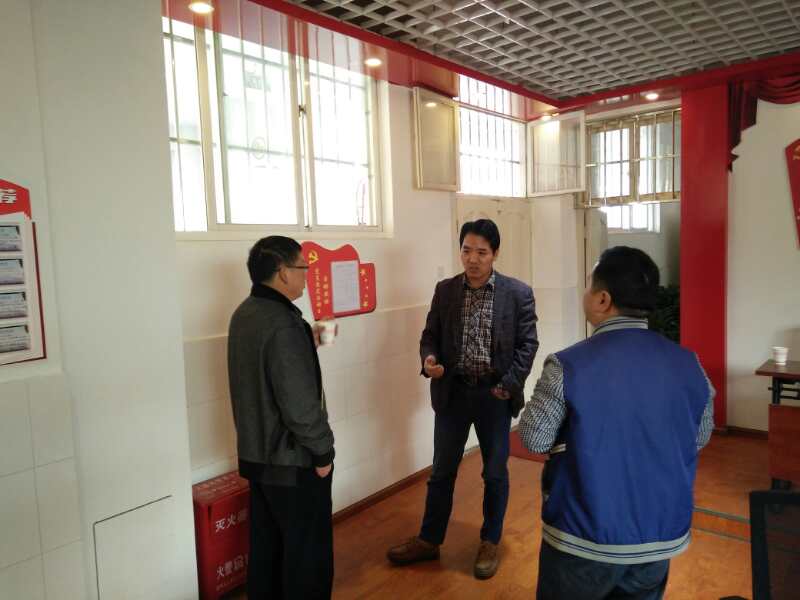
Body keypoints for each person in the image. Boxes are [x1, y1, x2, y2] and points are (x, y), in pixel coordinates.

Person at [519, 246, 715, 600]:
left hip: (583, 535)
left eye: (589, 284)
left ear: (603, 299)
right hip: (658, 536)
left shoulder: (567, 365)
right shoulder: (690, 364)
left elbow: (534, 438)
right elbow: (699, 436)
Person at [387, 219, 539, 579]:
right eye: (466, 250)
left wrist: (508, 384)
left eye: (481, 252)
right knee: (441, 471)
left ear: (495, 254)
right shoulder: (446, 291)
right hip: (453, 393)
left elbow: (528, 345)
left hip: (494, 395)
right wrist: (429, 360)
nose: (473, 259)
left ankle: (490, 541)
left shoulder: (518, 293)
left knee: (495, 473)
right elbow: (430, 336)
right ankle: (429, 539)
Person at [228, 236, 335, 600]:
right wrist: (323, 453)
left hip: (257, 458)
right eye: (303, 267)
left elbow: (263, 374)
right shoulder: (283, 324)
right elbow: (299, 406)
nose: (307, 275)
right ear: (283, 272)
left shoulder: (245, 314)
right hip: (293, 463)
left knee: (268, 552)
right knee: (307, 557)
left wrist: (306, 341)